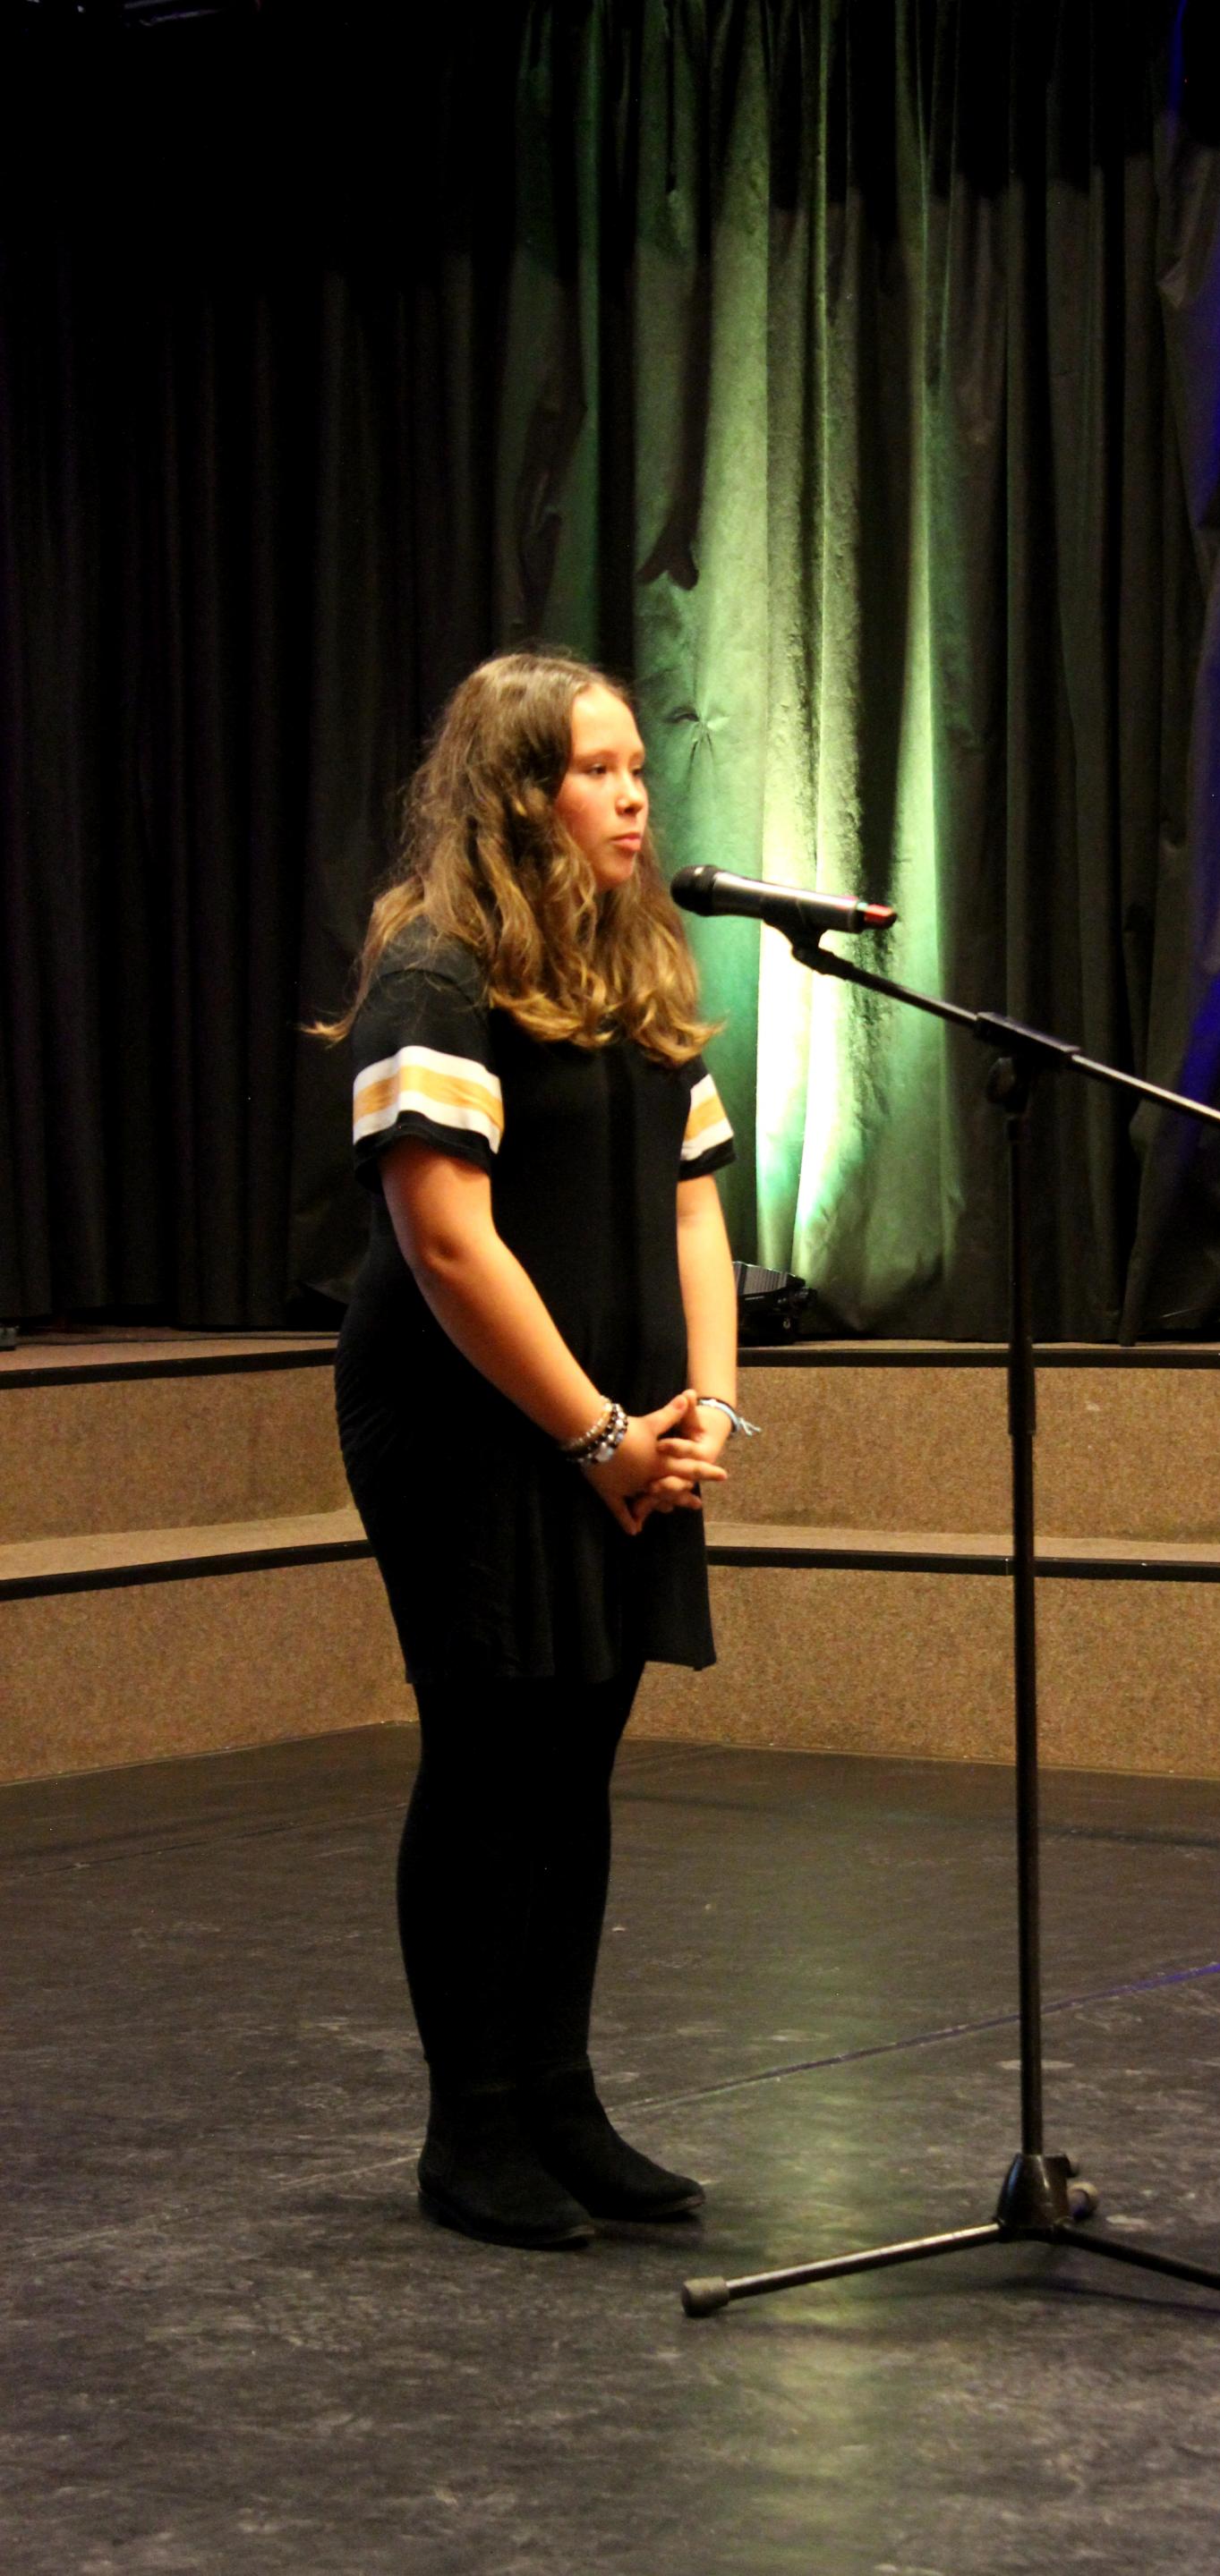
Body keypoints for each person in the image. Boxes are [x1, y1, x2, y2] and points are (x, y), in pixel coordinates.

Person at [320, 647, 748, 2249]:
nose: (633, 797)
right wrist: (596, 1436)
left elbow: (697, 1208)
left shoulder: (638, 967)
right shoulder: (437, 976)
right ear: (517, 793)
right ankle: (473, 2127)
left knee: (576, 1761)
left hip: (624, 1432)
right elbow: (446, 1245)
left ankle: (562, 2101)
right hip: (473, 1426)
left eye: (638, 767)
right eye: (595, 770)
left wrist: (705, 1410)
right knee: (492, 1757)